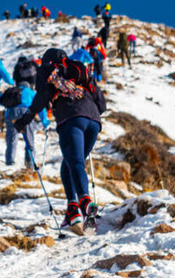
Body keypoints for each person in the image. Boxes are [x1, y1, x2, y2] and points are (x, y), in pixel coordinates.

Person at [14, 48, 106, 234]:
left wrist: (25, 120)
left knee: (76, 162)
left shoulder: (48, 71)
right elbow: (102, 104)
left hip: (71, 119)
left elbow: (41, 98)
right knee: (70, 162)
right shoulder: (81, 70)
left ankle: (85, 203)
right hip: (94, 122)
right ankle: (72, 212)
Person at [0, 82, 48, 168]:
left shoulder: (10, 92)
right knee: (29, 141)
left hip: (10, 114)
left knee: (11, 140)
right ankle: (30, 165)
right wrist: (45, 122)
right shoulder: (30, 92)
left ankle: (9, 163)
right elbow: (40, 106)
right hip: (26, 113)